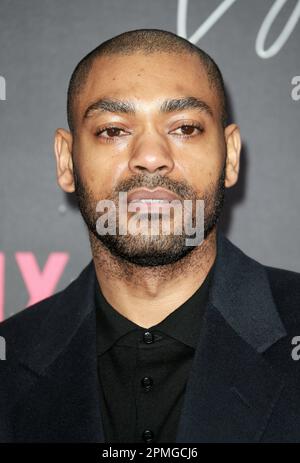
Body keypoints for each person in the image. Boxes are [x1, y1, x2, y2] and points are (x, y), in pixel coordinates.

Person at [0, 29, 300, 443]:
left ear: (230, 156)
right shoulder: (9, 359)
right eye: (113, 130)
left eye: (185, 128)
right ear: (66, 162)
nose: (151, 157)